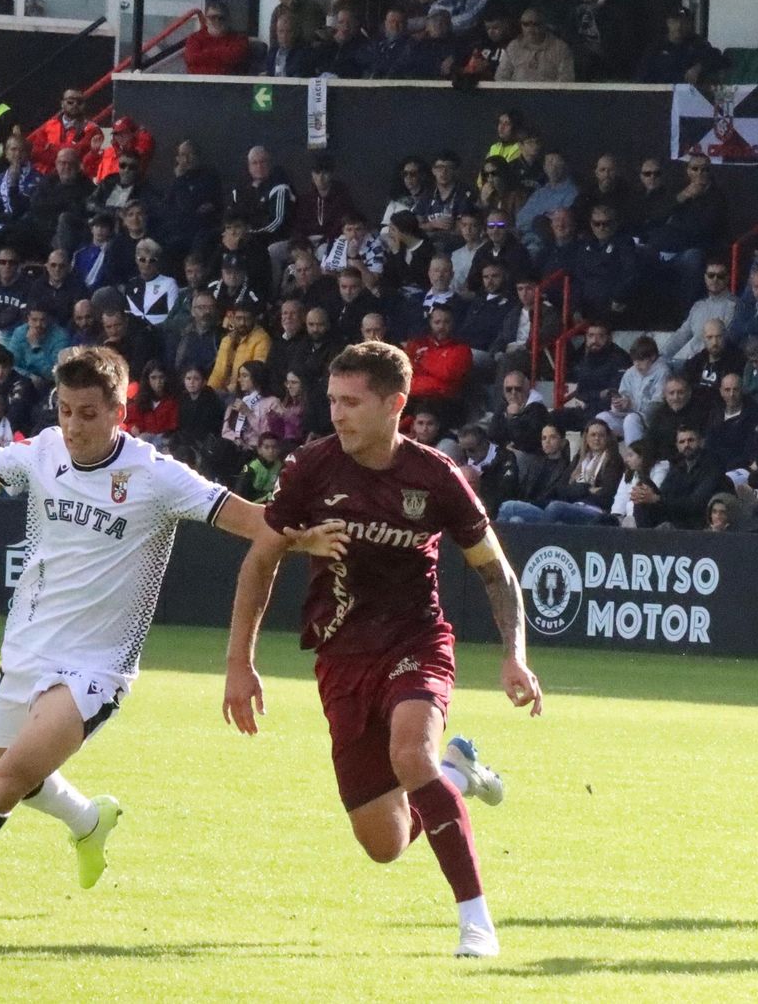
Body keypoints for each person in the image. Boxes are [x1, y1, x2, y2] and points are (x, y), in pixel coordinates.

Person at [0, 345, 346, 928]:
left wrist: (303, 539)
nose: (74, 426)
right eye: (66, 411)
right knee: (2, 771)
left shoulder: (156, 476)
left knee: (2, 784)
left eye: (88, 413)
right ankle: (87, 820)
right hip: (26, 646)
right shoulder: (43, 452)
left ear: (118, 413)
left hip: (96, 667)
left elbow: (252, 521)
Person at [224, 340, 542, 958]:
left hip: (415, 642)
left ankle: (475, 920)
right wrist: (241, 662)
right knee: (384, 844)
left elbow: (495, 572)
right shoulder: (312, 468)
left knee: (409, 755)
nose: (337, 414)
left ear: (395, 404)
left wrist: (515, 653)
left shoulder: (435, 477)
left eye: (351, 402)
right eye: (332, 401)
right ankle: (458, 772)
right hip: (341, 658)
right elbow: (261, 555)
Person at [496, 8, 575, 82]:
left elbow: (566, 80)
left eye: (535, 24)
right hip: (517, 95)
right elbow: (501, 77)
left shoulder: (561, 48)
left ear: (544, 25)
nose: (530, 29)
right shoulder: (513, 46)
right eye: (525, 24)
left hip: (548, 95)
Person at [184, 2, 251, 75]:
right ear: (206, 20)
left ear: (228, 20)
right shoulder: (194, 38)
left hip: (228, 83)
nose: (217, 21)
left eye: (221, 18)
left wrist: (204, 55)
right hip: (197, 83)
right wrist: (223, 55)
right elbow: (191, 58)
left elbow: (233, 57)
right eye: (213, 18)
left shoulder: (239, 39)